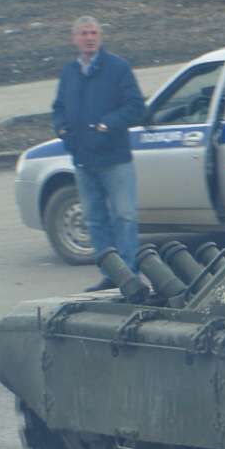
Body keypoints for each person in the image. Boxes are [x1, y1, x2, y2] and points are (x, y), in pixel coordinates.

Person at [50, 15, 146, 268]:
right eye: (84, 34)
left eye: (93, 33)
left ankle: (129, 274)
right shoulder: (70, 72)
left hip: (115, 158)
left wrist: (107, 125)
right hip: (83, 159)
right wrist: (61, 129)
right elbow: (58, 107)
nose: (89, 38)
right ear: (75, 39)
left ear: (100, 37)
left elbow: (136, 106)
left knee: (124, 216)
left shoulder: (117, 68)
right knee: (94, 219)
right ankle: (110, 275)